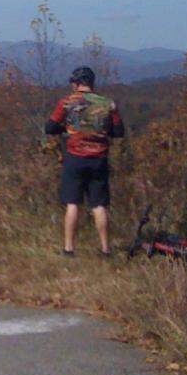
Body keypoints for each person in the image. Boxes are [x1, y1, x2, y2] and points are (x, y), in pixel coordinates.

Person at [45, 65, 125, 257]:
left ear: (77, 83)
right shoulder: (108, 104)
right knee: (99, 205)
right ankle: (106, 250)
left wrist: (66, 129)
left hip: (74, 158)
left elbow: (50, 127)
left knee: (72, 203)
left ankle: (69, 249)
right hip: (99, 159)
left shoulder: (66, 102)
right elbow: (119, 132)